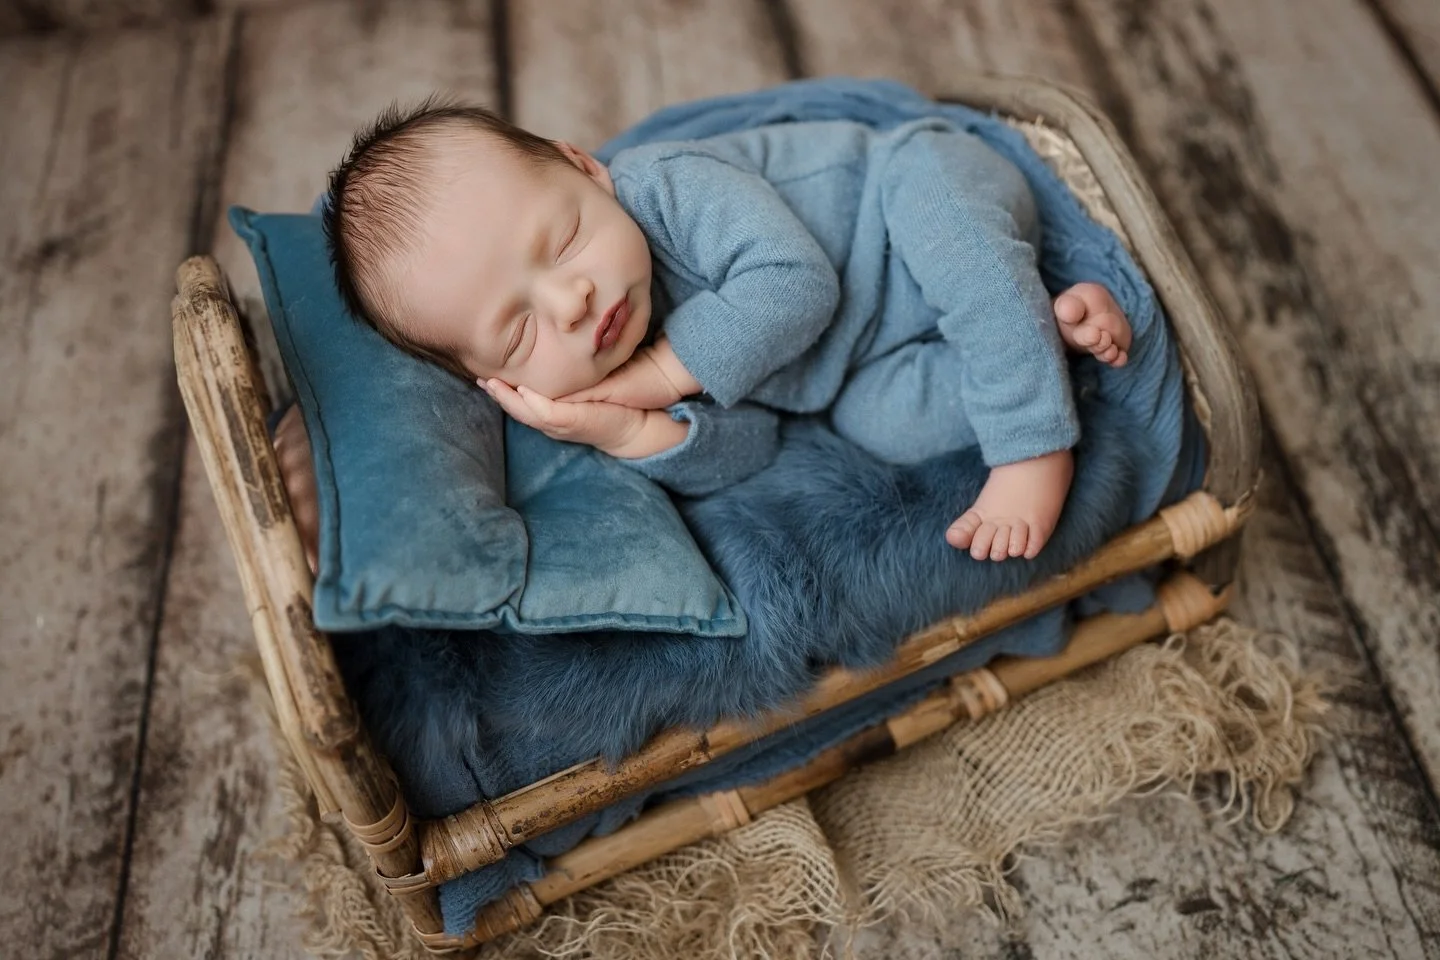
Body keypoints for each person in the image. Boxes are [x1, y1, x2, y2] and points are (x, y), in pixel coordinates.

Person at [284, 100, 1132, 564]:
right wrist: (628, 430)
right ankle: (1044, 324)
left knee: (952, 238)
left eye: (565, 240)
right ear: (492, 382)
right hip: (862, 362)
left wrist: (662, 375)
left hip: (906, 196)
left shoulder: (663, 185)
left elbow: (797, 283)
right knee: (889, 425)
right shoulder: (612, 376)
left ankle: (1032, 444)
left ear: (585, 168)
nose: (572, 301)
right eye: (517, 332)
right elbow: (752, 445)